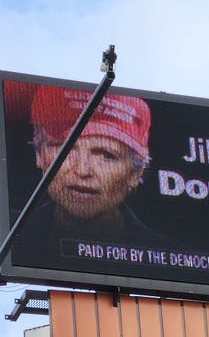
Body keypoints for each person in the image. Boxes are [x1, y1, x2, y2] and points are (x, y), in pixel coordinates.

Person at [16, 84, 170, 259]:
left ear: (136, 172)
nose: (82, 170)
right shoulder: (7, 238)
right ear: (40, 154)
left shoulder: (171, 258)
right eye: (65, 149)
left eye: (106, 155)